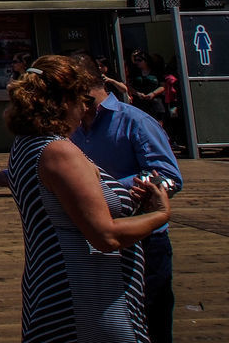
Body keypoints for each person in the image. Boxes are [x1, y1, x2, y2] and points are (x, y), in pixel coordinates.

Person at [6, 55, 171, 343]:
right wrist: (160, 214)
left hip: (52, 287)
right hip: (87, 298)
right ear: (62, 101)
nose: (85, 108)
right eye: (81, 99)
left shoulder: (25, 144)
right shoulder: (58, 152)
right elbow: (104, 236)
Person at [69, 52, 183, 343]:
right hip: (100, 240)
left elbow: (168, 176)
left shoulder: (135, 121)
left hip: (145, 241)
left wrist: (108, 187)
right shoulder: (74, 129)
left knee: (151, 322)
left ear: (82, 85)